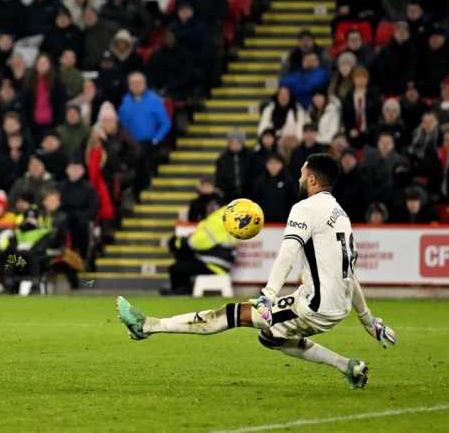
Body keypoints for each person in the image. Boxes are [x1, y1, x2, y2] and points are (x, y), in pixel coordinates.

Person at [117, 153, 397, 389]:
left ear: (312, 179)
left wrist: (268, 295)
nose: (299, 179)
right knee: (270, 336)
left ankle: (148, 326)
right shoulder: (341, 215)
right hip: (337, 305)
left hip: (315, 306)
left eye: (302, 175)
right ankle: (348, 367)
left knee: (230, 315)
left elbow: (287, 253)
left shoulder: (305, 208)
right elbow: (349, 274)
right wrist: (369, 322)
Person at [162, 206, 236, 295]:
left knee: (176, 268)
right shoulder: (224, 220)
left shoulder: (215, 221)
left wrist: (181, 241)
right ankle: (183, 289)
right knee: (184, 259)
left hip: (214, 265)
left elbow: (197, 243)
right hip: (218, 263)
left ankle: (180, 291)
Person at [118, 71, 171, 194]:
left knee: (145, 170)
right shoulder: (125, 101)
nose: (136, 85)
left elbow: (165, 123)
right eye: (133, 83)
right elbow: (121, 122)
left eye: (139, 82)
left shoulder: (155, 100)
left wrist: (156, 139)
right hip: (129, 144)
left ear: (145, 84)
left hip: (148, 144)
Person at [59, 160, 100, 258]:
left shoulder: (89, 188)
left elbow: (94, 208)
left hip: (82, 220)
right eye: (72, 168)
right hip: (63, 218)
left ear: (83, 171)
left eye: (77, 169)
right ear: (67, 170)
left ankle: (82, 258)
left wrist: (80, 215)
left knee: (83, 227)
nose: (74, 171)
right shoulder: (60, 186)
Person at [251, 153, 298, 222]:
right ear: (266, 165)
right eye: (271, 163)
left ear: (282, 164)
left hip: (284, 222)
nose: (273, 166)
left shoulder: (288, 181)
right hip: (264, 222)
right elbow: (255, 202)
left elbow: (293, 201)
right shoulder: (259, 181)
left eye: (276, 163)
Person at [375, 22, 416, 97]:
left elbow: (413, 69)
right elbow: (381, 71)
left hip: (405, 89)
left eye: (404, 31)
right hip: (388, 88)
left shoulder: (413, 49)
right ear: (394, 33)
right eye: (399, 31)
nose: (402, 33)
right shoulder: (385, 49)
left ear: (408, 34)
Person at [215, 131, 255, 204]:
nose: (235, 145)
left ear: (242, 143)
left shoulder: (251, 157)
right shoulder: (222, 159)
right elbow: (219, 178)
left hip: (249, 196)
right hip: (229, 198)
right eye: (232, 143)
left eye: (238, 142)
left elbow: (255, 175)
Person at [332, 148, 370, 222]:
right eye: (345, 158)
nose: (347, 160)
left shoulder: (363, 179)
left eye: (350, 158)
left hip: (357, 220)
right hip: (337, 220)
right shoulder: (335, 178)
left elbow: (364, 202)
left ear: (355, 160)